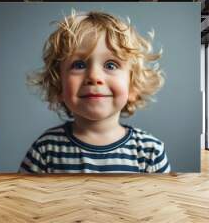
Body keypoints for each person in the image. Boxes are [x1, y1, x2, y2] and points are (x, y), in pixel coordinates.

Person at [19, 10, 171, 173]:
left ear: (132, 86)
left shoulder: (150, 151)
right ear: (59, 86)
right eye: (79, 65)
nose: (94, 76)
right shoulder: (45, 149)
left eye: (111, 65)